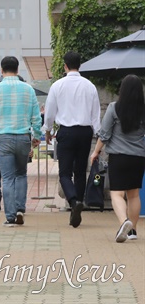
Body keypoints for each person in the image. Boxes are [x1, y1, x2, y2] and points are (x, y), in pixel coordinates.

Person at [42, 51, 100, 228]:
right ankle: (78, 206)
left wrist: (48, 130)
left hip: (66, 132)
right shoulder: (89, 86)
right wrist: (98, 134)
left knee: (65, 173)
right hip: (85, 132)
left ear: (65, 66)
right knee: (81, 171)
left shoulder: (57, 86)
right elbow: (95, 114)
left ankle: (74, 202)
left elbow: (50, 112)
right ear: (79, 65)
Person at [0, 56, 41, 227]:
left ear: (1, 70)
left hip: (3, 138)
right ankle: (21, 208)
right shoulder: (28, 89)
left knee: (7, 178)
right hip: (23, 137)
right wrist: (36, 136)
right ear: (17, 69)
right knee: (21, 174)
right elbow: (36, 116)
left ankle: (10, 216)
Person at [89, 75, 145, 242]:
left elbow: (104, 135)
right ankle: (133, 231)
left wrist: (95, 152)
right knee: (134, 194)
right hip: (138, 158)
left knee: (117, 194)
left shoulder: (114, 108)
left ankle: (124, 222)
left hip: (118, 157)